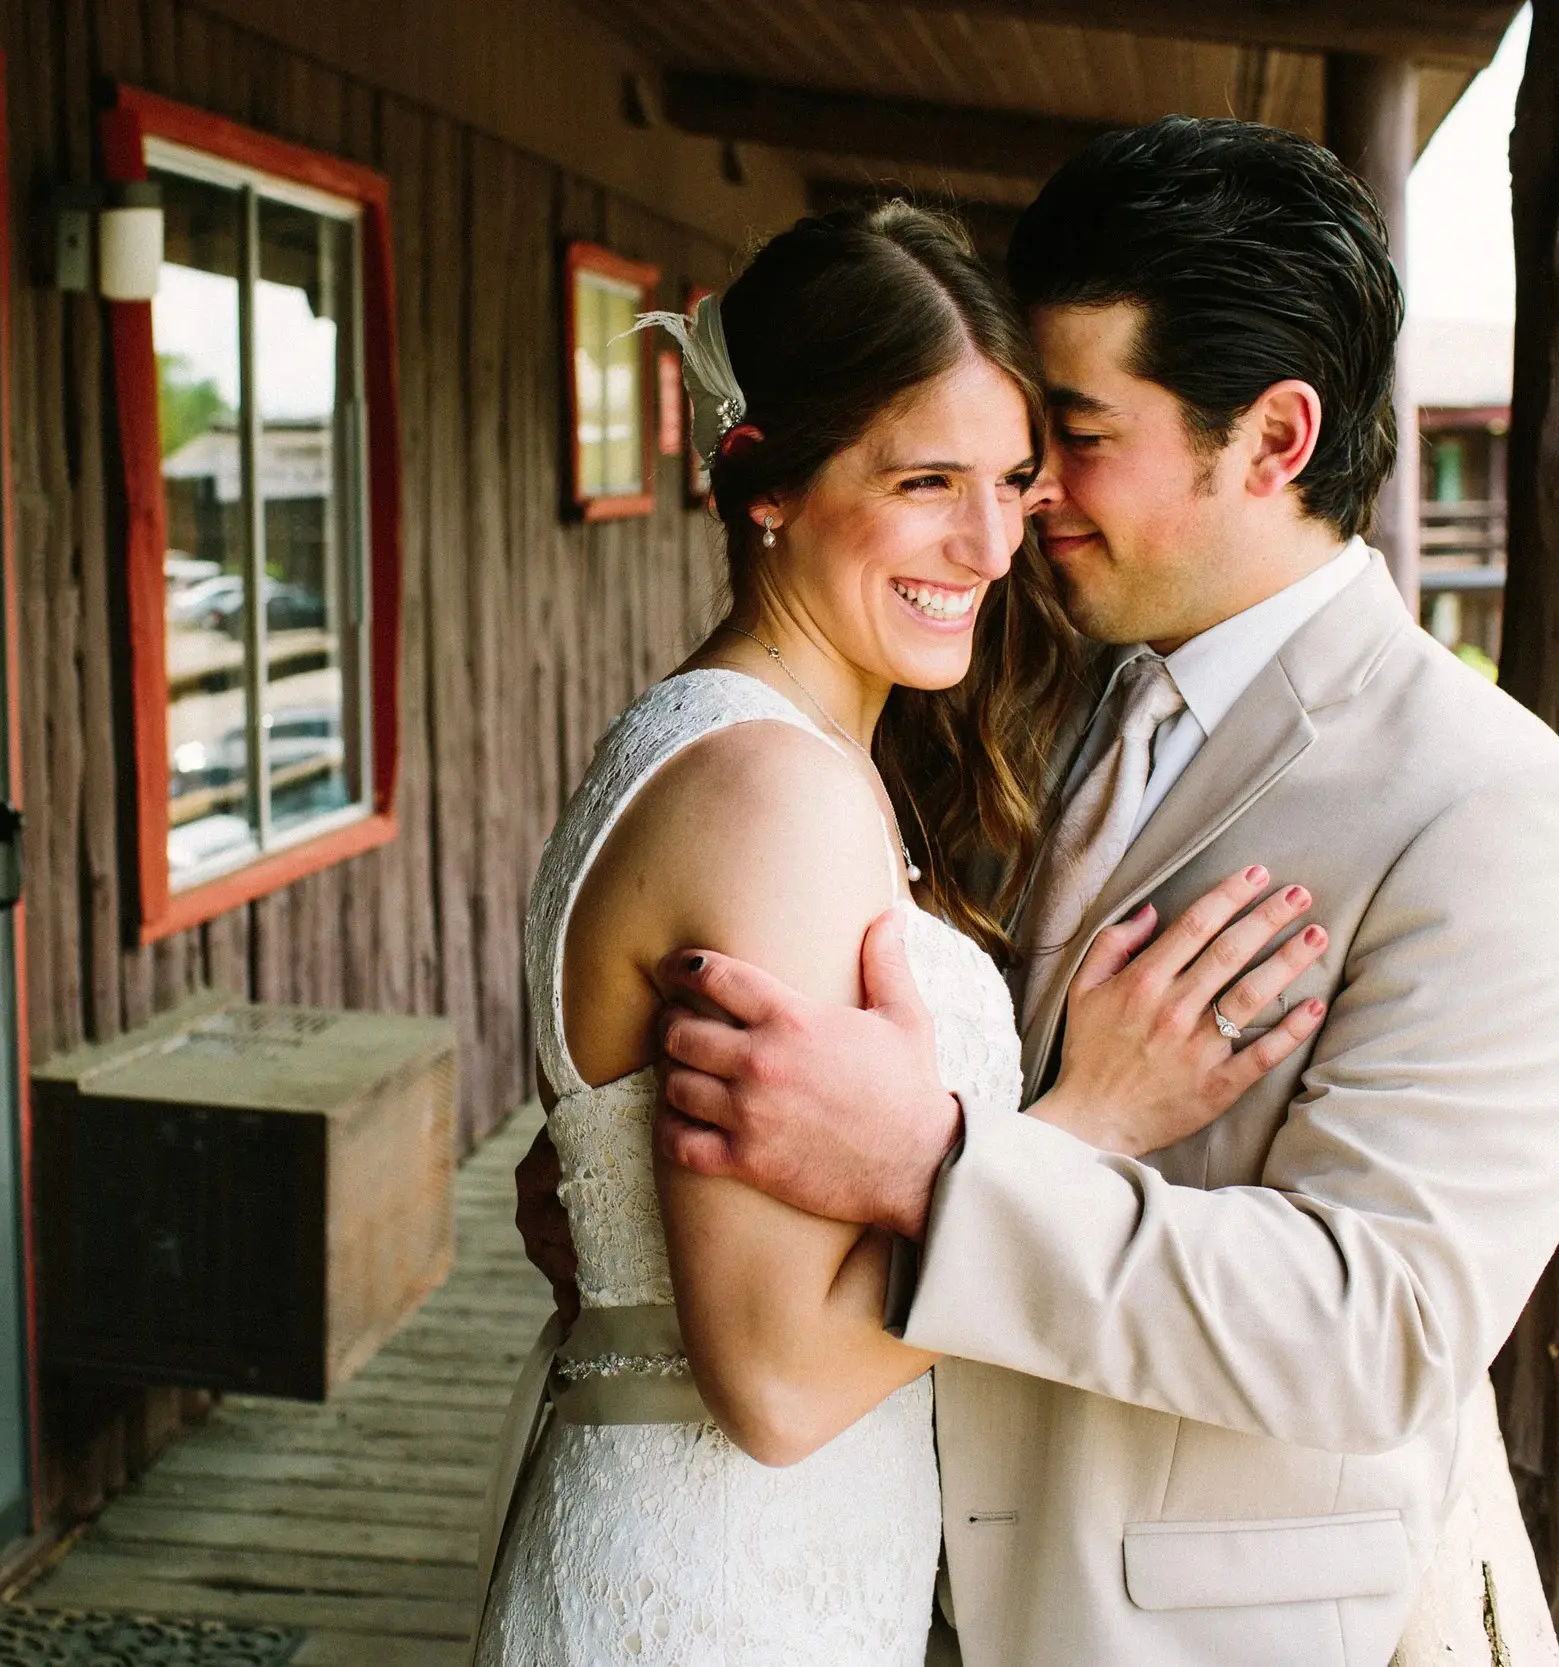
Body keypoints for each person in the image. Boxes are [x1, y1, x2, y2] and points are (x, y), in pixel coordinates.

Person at [562, 118, 1559, 1664]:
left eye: (1072, 433)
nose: (1022, 501)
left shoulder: (1503, 814)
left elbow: (1379, 1327)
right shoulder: (1032, 692)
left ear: (1272, 439)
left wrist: (937, 1165)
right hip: (879, 1576)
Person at [475, 197, 1332, 1666]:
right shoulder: (772, 796)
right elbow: (781, 1383)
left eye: (1012, 477)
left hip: (761, 1550)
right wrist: (1090, 1120)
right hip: (727, 1584)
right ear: (768, 480)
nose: (993, 541)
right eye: (925, 478)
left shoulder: (740, 742)